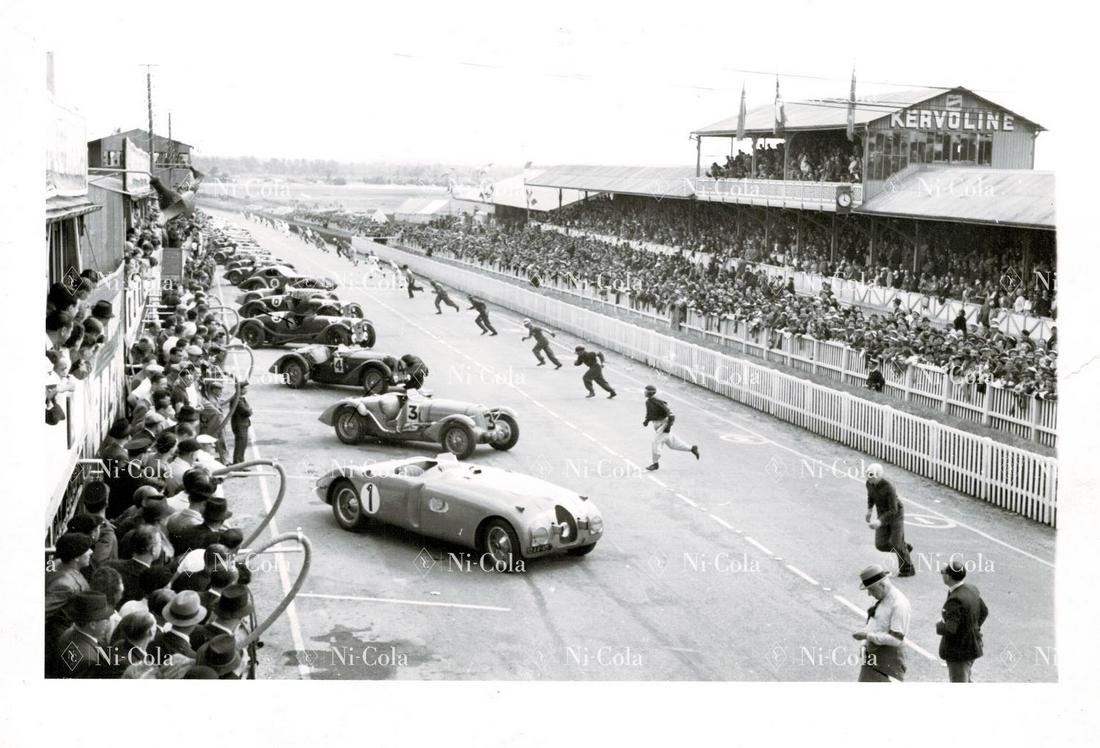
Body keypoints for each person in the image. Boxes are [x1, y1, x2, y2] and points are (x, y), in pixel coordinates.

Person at [853, 564, 911, 682]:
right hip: (872, 659)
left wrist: (867, 636)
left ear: (882, 585)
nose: (869, 594)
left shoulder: (899, 604)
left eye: (871, 589)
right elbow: (872, 623)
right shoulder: (881, 597)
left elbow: (896, 639)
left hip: (888, 663)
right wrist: (864, 644)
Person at [935, 559, 989, 682]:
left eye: (943, 572)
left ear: (948, 577)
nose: (942, 574)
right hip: (972, 645)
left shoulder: (955, 599)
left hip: (959, 652)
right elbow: (984, 611)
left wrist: (938, 625)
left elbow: (950, 628)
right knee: (966, 678)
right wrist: (972, 628)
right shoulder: (972, 589)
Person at [864, 463, 915, 577]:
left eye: (873, 479)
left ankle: (908, 569)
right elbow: (871, 496)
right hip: (882, 514)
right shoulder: (869, 483)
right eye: (869, 478)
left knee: (896, 543)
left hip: (896, 514)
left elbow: (893, 509)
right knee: (880, 544)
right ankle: (904, 549)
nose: (871, 481)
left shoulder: (889, 487)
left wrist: (879, 521)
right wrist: (869, 510)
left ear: (879, 476)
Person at [52, 592, 114, 678]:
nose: (108, 622)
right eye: (106, 619)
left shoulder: (68, 633)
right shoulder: (87, 661)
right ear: (93, 625)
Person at [642, 385, 698, 470]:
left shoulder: (658, 402)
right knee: (672, 444)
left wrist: (668, 426)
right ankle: (692, 448)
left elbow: (671, 415)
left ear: (650, 393)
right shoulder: (648, 402)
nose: (644, 392)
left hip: (663, 424)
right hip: (657, 425)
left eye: (646, 391)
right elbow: (650, 413)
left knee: (656, 443)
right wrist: (647, 420)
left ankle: (655, 463)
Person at [231, 381, 252, 465]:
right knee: (240, 445)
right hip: (240, 425)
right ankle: (238, 464)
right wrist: (249, 410)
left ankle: (241, 463)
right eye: (245, 388)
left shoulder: (240, 398)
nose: (246, 390)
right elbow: (247, 412)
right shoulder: (237, 400)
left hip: (242, 425)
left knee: (242, 445)